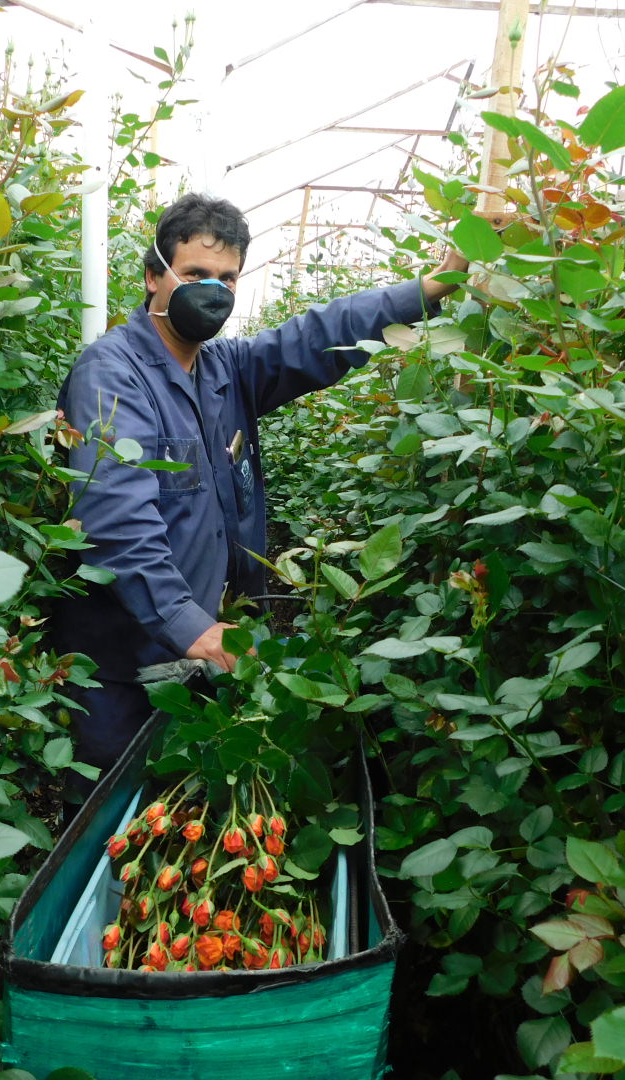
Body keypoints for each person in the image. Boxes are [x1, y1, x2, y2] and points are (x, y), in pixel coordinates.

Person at [52, 192, 477, 777]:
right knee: (110, 807)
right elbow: (114, 518)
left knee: (178, 804)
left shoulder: (223, 368)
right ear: (154, 276)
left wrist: (429, 288)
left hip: (197, 651)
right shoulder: (111, 374)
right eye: (196, 273)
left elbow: (317, 335)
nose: (213, 290)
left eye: (227, 279)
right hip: (124, 658)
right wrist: (190, 626)